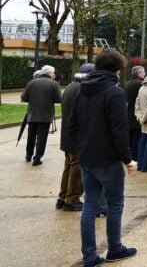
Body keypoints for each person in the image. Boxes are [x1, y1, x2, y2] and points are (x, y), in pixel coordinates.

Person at [68, 49, 137, 267]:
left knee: (90, 205)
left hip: (87, 156)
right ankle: (114, 248)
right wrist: (128, 159)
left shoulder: (82, 91)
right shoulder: (114, 93)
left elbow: (72, 125)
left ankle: (89, 255)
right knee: (115, 203)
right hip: (107, 158)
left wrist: (82, 147)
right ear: (117, 69)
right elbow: (119, 130)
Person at [57, 63, 95, 211]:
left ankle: (63, 196)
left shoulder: (71, 87)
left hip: (68, 134)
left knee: (69, 165)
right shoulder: (82, 89)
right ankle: (72, 199)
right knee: (77, 167)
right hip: (77, 135)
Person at [21, 64, 61, 165]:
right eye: (53, 73)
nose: (54, 75)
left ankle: (28, 155)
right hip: (45, 115)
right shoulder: (54, 84)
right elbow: (58, 99)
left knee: (31, 136)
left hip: (32, 114)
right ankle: (37, 158)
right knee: (42, 137)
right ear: (48, 73)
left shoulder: (31, 82)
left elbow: (24, 98)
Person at [124, 66, 144, 161]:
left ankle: (130, 157)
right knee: (137, 139)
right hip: (136, 115)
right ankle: (135, 158)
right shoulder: (140, 84)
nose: (144, 74)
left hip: (128, 114)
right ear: (139, 73)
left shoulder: (128, 83)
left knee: (130, 139)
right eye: (143, 72)